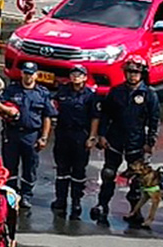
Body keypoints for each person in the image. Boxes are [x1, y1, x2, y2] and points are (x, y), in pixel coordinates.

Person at [89, 57, 160, 225]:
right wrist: (102, 135)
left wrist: (150, 142)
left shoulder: (149, 94)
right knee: (108, 173)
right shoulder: (116, 91)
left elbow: (154, 119)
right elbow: (105, 115)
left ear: (142, 74)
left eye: (136, 72)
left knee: (137, 178)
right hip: (115, 139)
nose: (133, 75)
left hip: (136, 141)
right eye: (130, 72)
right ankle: (102, 205)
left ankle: (135, 210)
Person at [0, 61, 56, 204]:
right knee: (10, 166)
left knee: (30, 167)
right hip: (12, 133)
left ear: (36, 75)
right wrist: (7, 109)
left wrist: (44, 137)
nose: (28, 77)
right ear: (22, 73)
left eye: (31, 74)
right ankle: (10, 194)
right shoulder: (12, 89)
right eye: (25, 73)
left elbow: (47, 116)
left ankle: (26, 196)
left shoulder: (42, 93)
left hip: (31, 135)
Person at [51, 65, 99, 218]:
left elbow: (95, 118)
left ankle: (76, 202)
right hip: (63, 134)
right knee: (62, 170)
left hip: (80, 136)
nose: (75, 77)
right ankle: (60, 200)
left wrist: (92, 137)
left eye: (79, 74)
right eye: (73, 74)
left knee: (78, 171)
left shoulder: (90, 95)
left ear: (85, 77)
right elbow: (54, 108)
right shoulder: (63, 91)